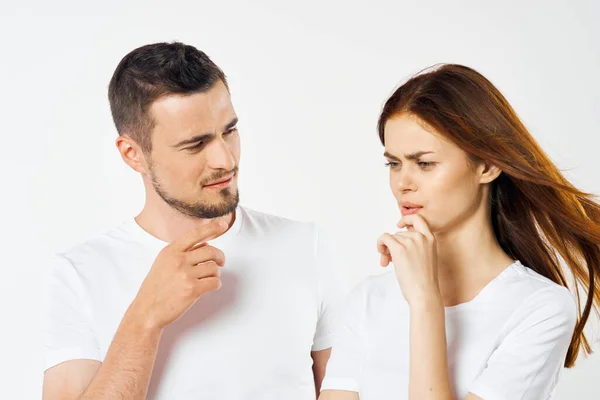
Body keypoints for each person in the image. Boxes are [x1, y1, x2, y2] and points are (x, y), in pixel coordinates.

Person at [42, 42, 339, 400]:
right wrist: (145, 317)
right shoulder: (80, 274)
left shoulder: (306, 246)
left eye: (229, 131)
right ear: (133, 154)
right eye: (195, 144)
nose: (224, 160)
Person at [319, 64, 600, 400]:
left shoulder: (540, 308)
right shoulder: (369, 298)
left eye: (424, 163)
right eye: (394, 163)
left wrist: (425, 301)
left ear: (487, 165)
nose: (402, 184)